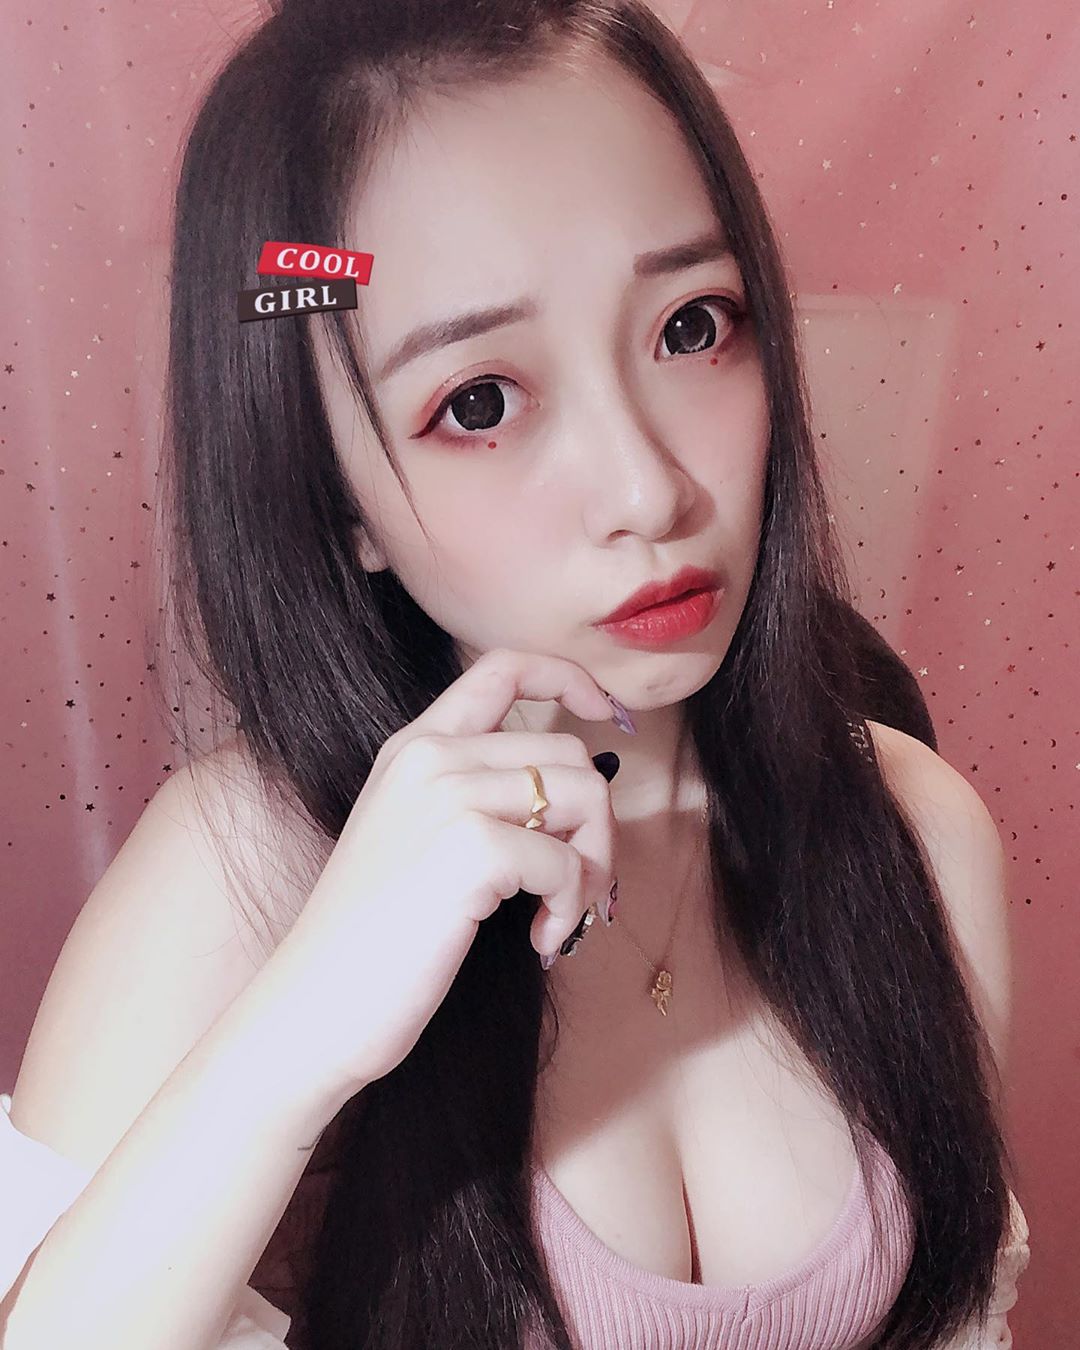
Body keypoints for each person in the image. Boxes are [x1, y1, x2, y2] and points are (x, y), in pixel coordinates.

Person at [0, 1, 1030, 1347]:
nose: (648, 489)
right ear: (335, 496)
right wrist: (303, 1028)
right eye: (479, 402)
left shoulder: (916, 828)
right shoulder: (242, 870)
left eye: (692, 326)